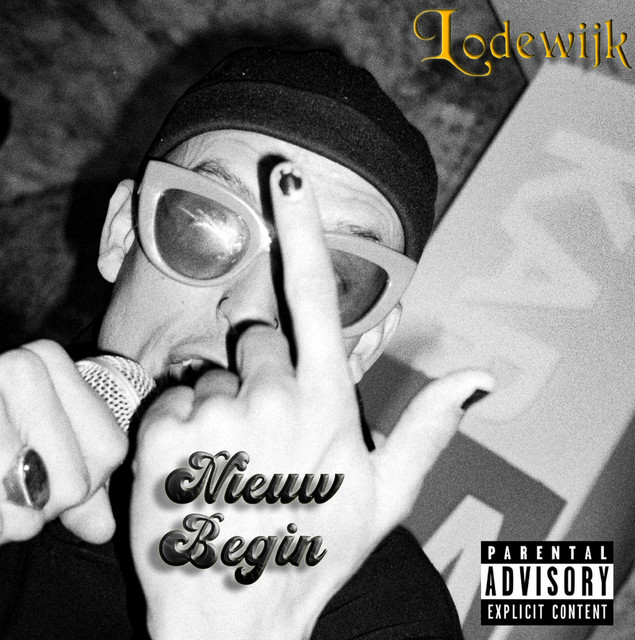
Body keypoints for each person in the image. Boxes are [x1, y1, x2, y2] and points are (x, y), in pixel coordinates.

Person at [0, 48, 493, 639]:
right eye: (207, 224)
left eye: (333, 279)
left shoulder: (387, 614)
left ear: (362, 348)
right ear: (122, 234)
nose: (249, 309)